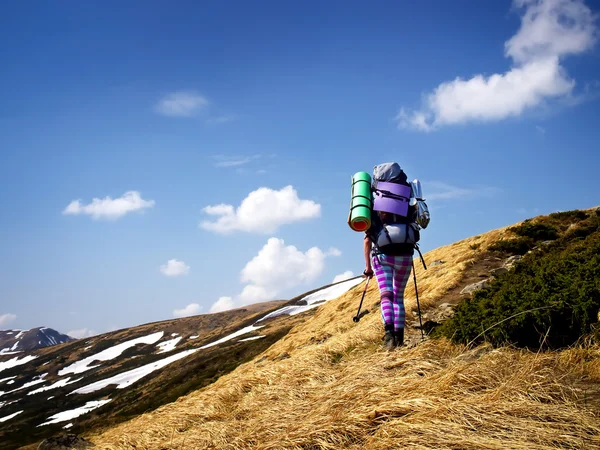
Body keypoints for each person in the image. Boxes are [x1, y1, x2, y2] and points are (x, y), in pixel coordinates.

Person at [363, 167, 417, 350]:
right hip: (405, 254)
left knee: (386, 295)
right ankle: (399, 339)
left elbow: (366, 239)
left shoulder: (374, 203)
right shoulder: (407, 198)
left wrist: (368, 267)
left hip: (382, 256)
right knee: (399, 298)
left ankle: (389, 338)